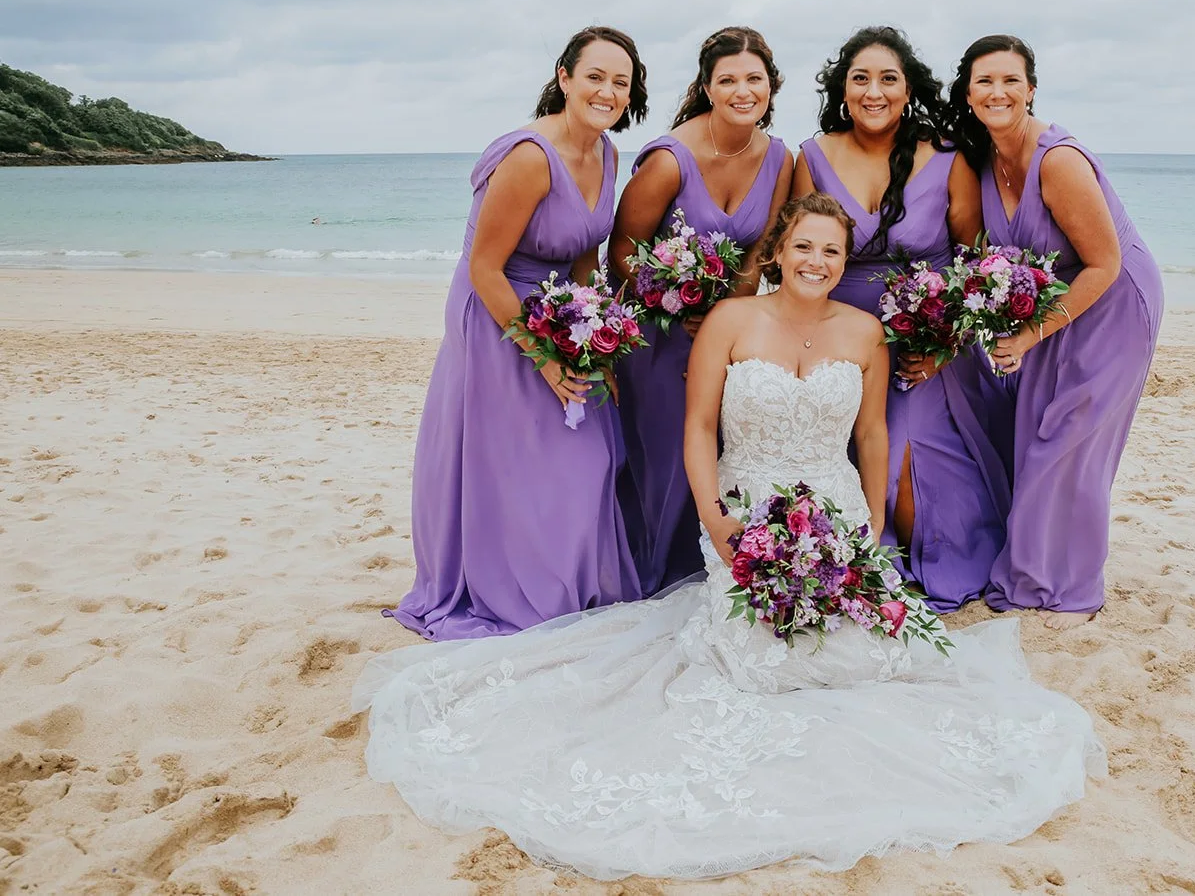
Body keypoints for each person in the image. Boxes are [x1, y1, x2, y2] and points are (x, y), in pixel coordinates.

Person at [353, 193, 1105, 880]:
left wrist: (871, 527)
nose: (817, 262)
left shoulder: (866, 330)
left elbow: (873, 434)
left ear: (847, 263)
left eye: (832, 253)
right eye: (805, 247)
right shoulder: (730, 320)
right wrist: (716, 519)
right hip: (746, 504)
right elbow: (700, 426)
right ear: (778, 250)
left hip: (835, 506)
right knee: (759, 661)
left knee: (865, 652)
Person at [387, 27, 647, 640]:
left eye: (621, 82)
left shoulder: (608, 154)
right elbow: (484, 267)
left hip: (561, 312)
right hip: (499, 312)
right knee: (520, 457)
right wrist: (544, 357)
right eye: (595, 77)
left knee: (590, 454)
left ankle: (569, 578)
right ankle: (508, 582)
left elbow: (585, 251)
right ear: (564, 78)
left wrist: (595, 333)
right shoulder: (531, 157)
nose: (607, 91)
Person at [949, 34, 1164, 627]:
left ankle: (1072, 587)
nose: (998, 91)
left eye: (1010, 80)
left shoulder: (1058, 161)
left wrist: (1025, 336)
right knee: (1034, 432)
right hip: (1053, 301)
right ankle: (1032, 571)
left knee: (1069, 440)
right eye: (985, 81)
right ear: (968, 94)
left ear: (1031, 89)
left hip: (1113, 302)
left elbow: (1105, 263)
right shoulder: (986, 160)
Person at [792, 26, 1007, 611]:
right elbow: (798, 257)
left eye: (888, 78)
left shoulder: (948, 160)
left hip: (927, 346)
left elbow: (975, 264)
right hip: (842, 338)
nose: (874, 91)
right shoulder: (812, 157)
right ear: (842, 89)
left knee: (908, 483)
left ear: (907, 88)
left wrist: (946, 340)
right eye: (860, 78)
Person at [610, 26, 792, 595]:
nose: (743, 91)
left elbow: (762, 252)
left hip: (728, 332)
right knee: (664, 455)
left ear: (771, 84)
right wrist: (669, 296)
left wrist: (727, 317)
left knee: (720, 450)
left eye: (754, 79)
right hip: (660, 335)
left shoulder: (780, 158)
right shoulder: (669, 160)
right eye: (728, 80)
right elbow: (620, 251)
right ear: (708, 87)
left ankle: (704, 572)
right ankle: (649, 577)